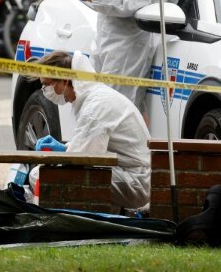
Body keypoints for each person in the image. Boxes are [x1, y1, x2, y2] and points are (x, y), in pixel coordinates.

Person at [28, 50, 151, 210]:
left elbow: (82, 160)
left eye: (47, 84)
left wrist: (63, 155)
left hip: (136, 181)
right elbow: (90, 147)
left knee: (41, 175)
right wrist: (66, 148)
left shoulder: (95, 106)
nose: (45, 90)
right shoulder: (92, 98)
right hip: (131, 173)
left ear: (64, 81)